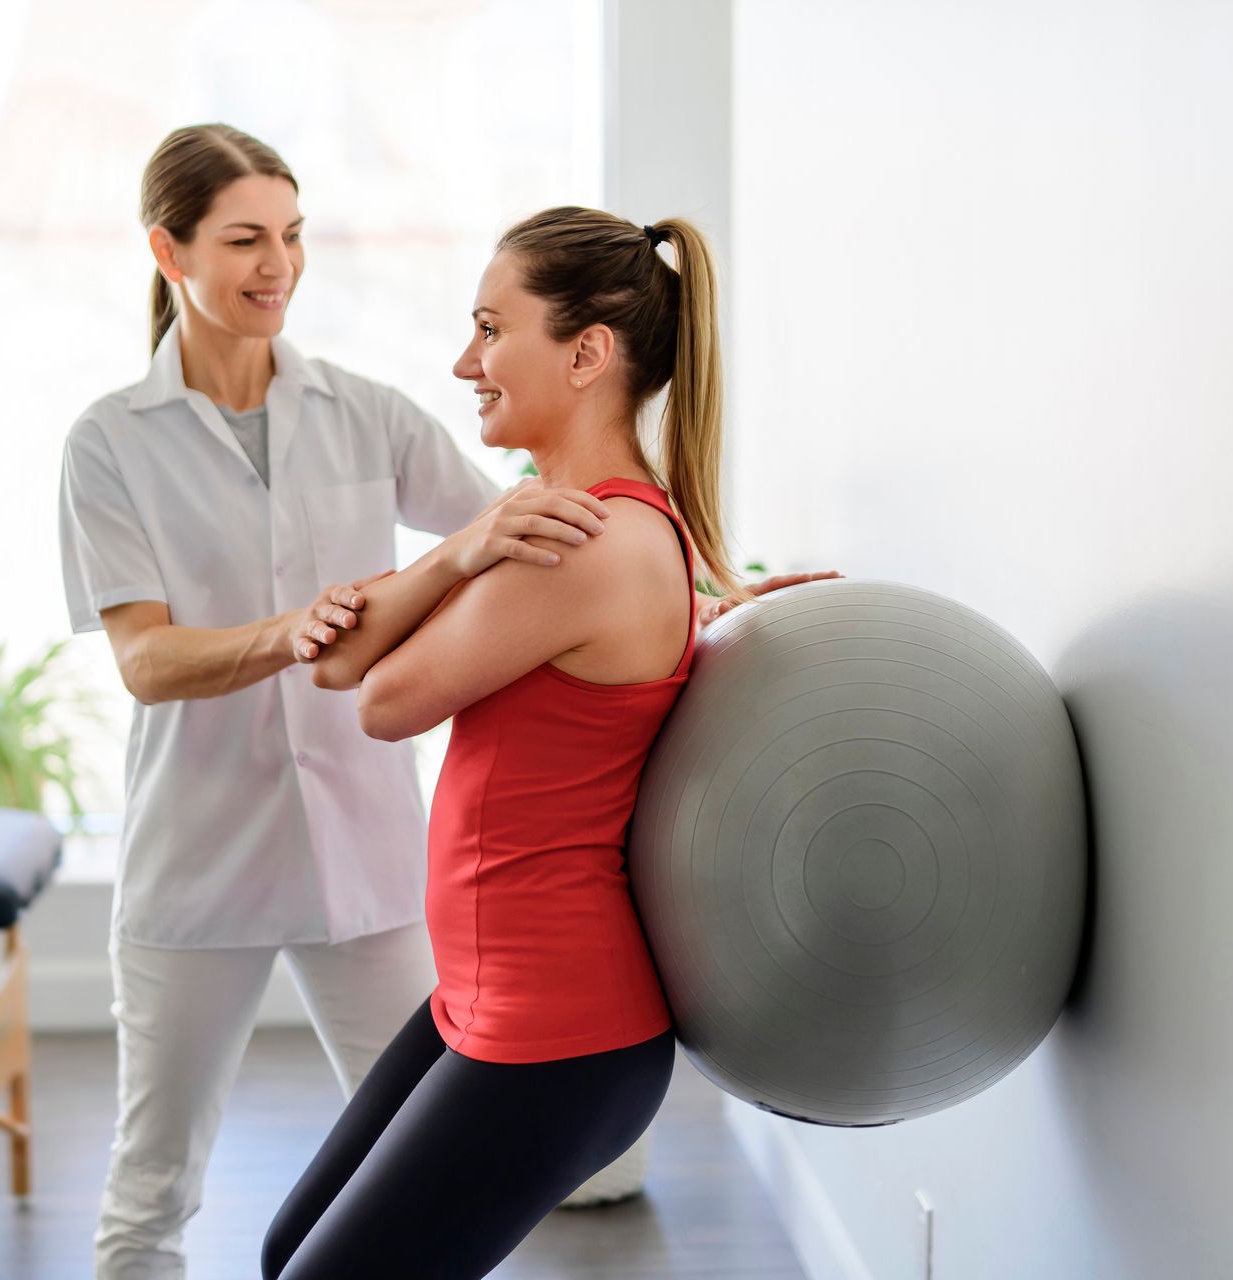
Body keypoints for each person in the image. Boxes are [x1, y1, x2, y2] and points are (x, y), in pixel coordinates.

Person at [57, 124, 617, 1280]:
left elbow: (526, 522)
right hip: (196, 859)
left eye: (294, 235)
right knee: (152, 1184)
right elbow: (146, 660)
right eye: (246, 238)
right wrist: (288, 633)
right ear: (169, 250)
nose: (279, 264)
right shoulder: (109, 443)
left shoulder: (363, 410)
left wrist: (723, 583)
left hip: (362, 856)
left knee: (427, 1165)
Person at [260, 207, 840, 1279]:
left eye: (491, 328)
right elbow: (335, 662)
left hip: (557, 1031)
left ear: (587, 353)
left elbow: (386, 700)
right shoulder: (562, 519)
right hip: (491, 1000)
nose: (464, 361)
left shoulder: (577, 541)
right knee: (285, 1252)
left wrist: (457, 555)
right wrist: (468, 543)